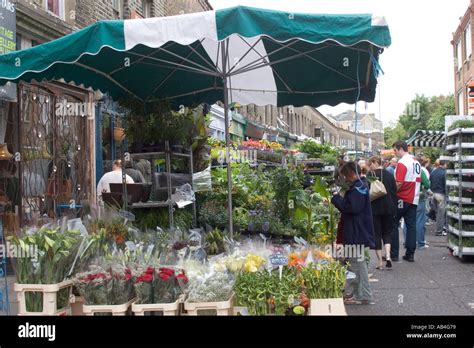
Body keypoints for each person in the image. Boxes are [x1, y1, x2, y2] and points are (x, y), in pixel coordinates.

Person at [331, 162, 375, 305]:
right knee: (355, 263)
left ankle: (363, 295)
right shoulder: (361, 185)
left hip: (357, 232)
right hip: (359, 230)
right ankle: (357, 293)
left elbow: (351, 207)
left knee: (357, 263)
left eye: (344, 175)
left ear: (350, 173)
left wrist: (336, 198)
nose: (344, 178)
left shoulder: (358, 188)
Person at [391, 140, 421, 263]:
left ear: (399, 149)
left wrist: (392, 194)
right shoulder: (416, 162)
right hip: (414, 197)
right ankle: (410, 253)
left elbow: (399, 182)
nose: (395, 153)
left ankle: (394, 253)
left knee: (393, 224)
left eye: (395, 150)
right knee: (411, 226)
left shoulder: (402, 163)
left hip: (402, 197)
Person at [367, 156, 397, 269]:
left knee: (377, 234)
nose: (370, 167)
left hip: (375, 209)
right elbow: (394, 193)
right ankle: (388, 255)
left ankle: (380, 263)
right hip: (388, 208)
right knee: (387, 233)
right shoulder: (389, 174)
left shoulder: (371, 176)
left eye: (371, 164)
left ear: (375, 162)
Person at [415, 156, 431, 249]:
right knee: (420, 221)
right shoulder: (420, 171)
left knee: (408, 222)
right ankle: (420, 243)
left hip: (407, 198)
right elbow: (427, 184)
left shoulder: (406, 169)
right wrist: (424, 191)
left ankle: (408, 242)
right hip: (419, 198)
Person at [430, 160, 447, 236]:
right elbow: (446, 185)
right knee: (441, 214)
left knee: (437, 213)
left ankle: (438, 229)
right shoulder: (444, 173)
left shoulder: (433, 172)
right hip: (441, 194)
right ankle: (439, 231)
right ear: (445, 164)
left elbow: (430, 181)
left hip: (433, 194)